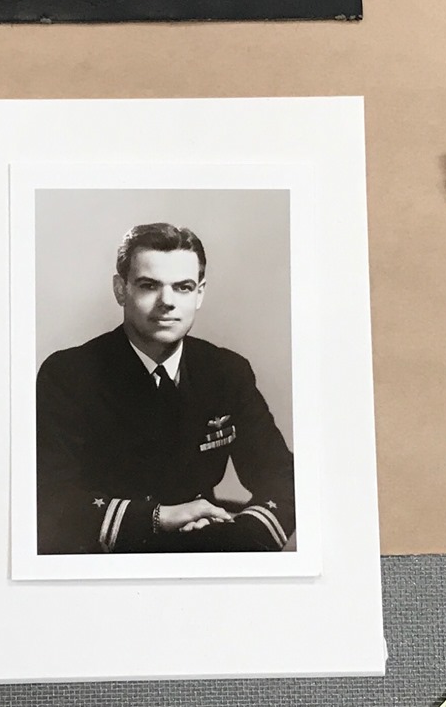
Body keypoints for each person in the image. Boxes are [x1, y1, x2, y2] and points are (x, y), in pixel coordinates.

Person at [36, 221, 295, 554]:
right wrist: (160, 518)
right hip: (110, 560)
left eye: (183, 287)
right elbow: (52, 499)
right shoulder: (69, 375)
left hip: (207, 547)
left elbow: (282, 477)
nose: (167, 302)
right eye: (149, 286)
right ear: (120, 289)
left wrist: (240, 534)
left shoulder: (225, 371)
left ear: (200, 293)